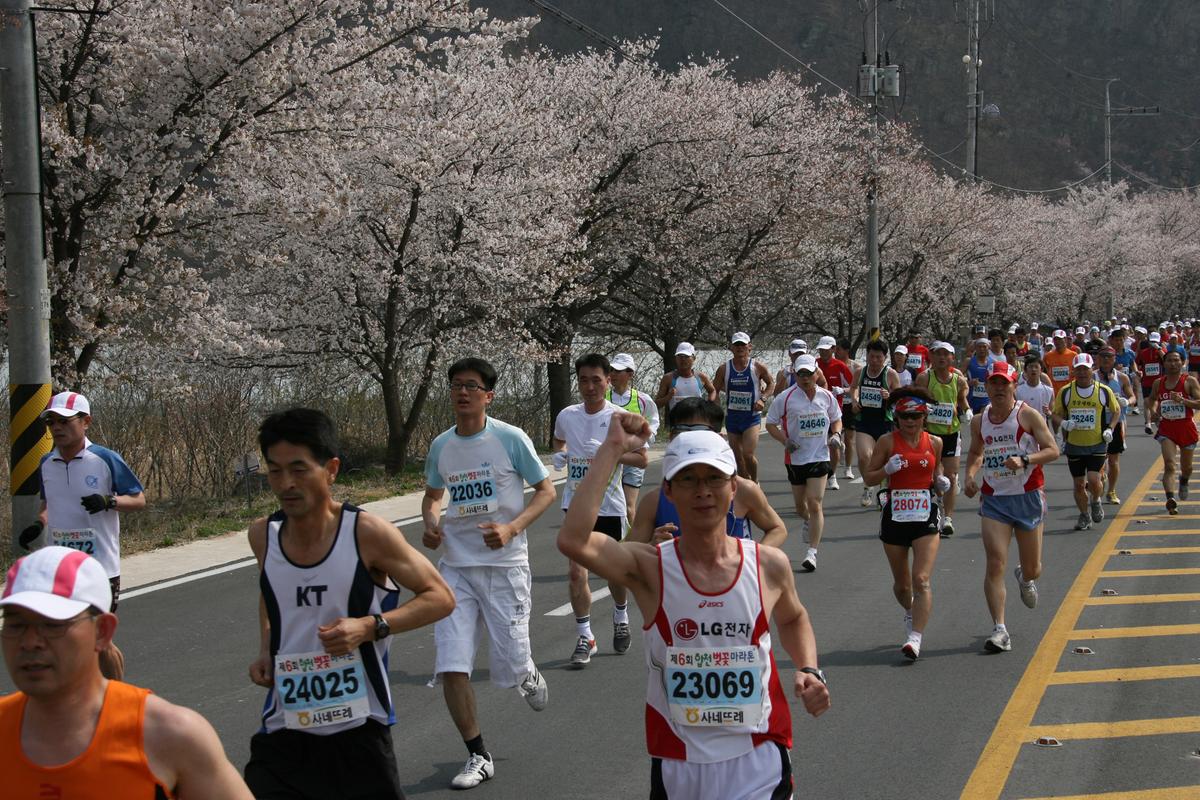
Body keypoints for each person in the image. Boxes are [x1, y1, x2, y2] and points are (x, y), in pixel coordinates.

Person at [557, 419, 831, 799]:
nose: (703, 491)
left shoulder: (768, 564)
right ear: (668, 490)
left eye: (714, 479)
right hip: (678, 764)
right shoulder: (650, 567)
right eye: (688, 479)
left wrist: (808, 668)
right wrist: (612, 448)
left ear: (734, 488)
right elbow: (573, 540)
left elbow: (793, 616)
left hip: (758, 757)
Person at [245, 408, 455, 799]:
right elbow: (272, 589)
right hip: (287, 723)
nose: (286, 483)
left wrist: (369, 627)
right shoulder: (264, 535)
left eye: (299, 469)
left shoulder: (367, 533)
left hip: (358, 726)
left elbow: (440, 598)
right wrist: (266, 647)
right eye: (274, 471)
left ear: (332, 469)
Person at [1, 546, 253, 799]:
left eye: (51, 624)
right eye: (16, 624)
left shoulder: (170, 736)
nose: (30, 641)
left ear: (102, 632)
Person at [421, 358, 558, 790]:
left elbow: (547, 490)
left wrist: (512, 527)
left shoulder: (509, 439)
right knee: (451, 664)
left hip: (505, 567)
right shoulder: (442, 445)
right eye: (456, 385)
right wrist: (430, 522)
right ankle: (478, 753)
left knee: (513, 662)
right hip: (457, 570)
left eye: (472, 386)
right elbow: (431, 496)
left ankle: (527, 670)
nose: (462, 392)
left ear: (488, 395)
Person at [20, 391, 146, 681]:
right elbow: (48, 504)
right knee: (63, 638)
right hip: (61, 567)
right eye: (51, 421)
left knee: (98, 641)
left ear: (85, 421)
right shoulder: (45, 463)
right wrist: (39, 525)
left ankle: (117, 700)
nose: (57, 427)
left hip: (100, 568)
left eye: (64, 420)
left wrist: (109, 501)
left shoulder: (104, 459)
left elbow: (139, 499)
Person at [552, 353, 649, 666]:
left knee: (613, 572)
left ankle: (620, 615)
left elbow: (643, 459)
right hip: (576, 503)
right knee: (575, 570)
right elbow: (559, 442)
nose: (590, 386)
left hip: (609, 505)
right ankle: (585, 636)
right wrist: (561, 455)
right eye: (584, 380)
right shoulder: (567, 415)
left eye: (597, 380)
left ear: (609, 381)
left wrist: (613, 454)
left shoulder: (620, 417)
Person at [964, 361, 1059, 653]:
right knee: (995, 562)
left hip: (1028, 495)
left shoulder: (1027, 416)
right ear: (987, 387)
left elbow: (1053, 450)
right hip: (995, 499)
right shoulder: (979, 421)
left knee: (1033, 568)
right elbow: (976, 452)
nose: (998, 389)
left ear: (1013, 386)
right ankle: (1000, 629)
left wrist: (1026, 460)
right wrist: (969, 475)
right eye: (993, 383)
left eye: (1004, 383)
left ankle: (1025, 577)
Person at [863, 388, 951, 660]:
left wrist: (940, 482)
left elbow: (937, 472)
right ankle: (911, 610)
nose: (910, 421)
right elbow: (868, 478)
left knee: (921, 579)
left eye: (915, 416)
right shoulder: (887, 442)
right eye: (904, 416)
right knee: (902, 586)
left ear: (924, 417)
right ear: (896, 417)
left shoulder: (934, 442)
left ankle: (915, 637)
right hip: (896, 514)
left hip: (925, 513)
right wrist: (886, 470)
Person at [629, 398, 788, 548]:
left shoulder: (744, 490)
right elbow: (624, 564)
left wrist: (751, 559)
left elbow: (777, 528)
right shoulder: (654, 501)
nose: (703, 492)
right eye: (683, 431)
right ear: (671, 437)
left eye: (701, 431)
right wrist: (650, 548)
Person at [765, 354, 843, 572]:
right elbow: (771, 423)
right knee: (802, 507)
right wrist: (785, 441)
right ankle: (807, 520)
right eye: (801, 374)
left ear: (816, 373)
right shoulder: (785, 398)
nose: (806, 378)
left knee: (815, 502)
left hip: (819, 456)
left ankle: (812, 552)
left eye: (809, 373)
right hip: (796, 458)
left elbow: (837, 418)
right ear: (795, 374)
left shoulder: (826, 396)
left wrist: (836, 434)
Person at [1052, 353, 1121, 531]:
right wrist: (1063, 423)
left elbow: (1116, 411)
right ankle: (1084, 515)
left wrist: (1110, 429)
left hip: (1097, 443)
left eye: (1085, 368)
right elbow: (1055, 413)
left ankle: (1096, 500)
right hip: (1074, 445)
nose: (1082, 372)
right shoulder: (1066, 391)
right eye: (1078, 369)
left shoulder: (1103, 391)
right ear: (1073, 371)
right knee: (1078, 484)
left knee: (1094, 479)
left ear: (1092, 369)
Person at [914, 342, 968, 538]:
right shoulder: (924, 378)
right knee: (933, 476)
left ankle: (948, 518)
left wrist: (965, 411)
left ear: (952, 358)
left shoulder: (959, 380)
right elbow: (917, 400)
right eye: (938, 354)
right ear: (931, 357)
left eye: (946, 354)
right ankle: (933, 507)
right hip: (930, 433)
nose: (942, 358)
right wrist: (924, 408)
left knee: (951, 476)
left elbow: (962, 399)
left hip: (951, 432)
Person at [714, 332, 775, 482]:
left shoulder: (757, 366)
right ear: (731, 348)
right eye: (737, 345)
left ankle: (754, 482)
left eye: (743, 345)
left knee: (748, 454)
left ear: (749, 347)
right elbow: (713, 390)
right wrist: (716, 410)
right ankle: (744, 485)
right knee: (737, 457)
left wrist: (763, 399)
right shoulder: (724, 369)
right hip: (733, 417)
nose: (740, 348)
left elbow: (771, 384)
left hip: (751, 418)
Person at [608, 352, 662, 522]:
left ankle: (635, 544)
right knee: (609, 508)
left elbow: (654, 421)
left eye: (619, 371)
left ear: (630, 374)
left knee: (629, 508)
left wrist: (646, 439)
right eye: (612, 370)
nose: (614, 374)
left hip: (634, 457)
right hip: (610, 458)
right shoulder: (603, 397)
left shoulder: (642, 399)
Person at [851, 339, 901, 508]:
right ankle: (868, 486)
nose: (874, 361)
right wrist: (854, 400)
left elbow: (899, 395)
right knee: (865, 456)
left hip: (884, 422)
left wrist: (890, 395)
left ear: (885, 358)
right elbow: (853, 388)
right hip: (864, 421)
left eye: (878, 357)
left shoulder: (890, 374)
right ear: (867, 356)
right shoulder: (861, 372)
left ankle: (884, 490)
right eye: (871, 357)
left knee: (885, 460)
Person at [1148, 350, 1200, 515]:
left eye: (1176, 360)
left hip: (1186, 428)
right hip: (1167, 429)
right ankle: (1170, 499)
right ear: (1164, 363)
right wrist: (1154, 412)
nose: (1173, 363)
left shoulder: (1189, 381)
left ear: (1182, 363)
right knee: (1170, 464)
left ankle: (1184, 480)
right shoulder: (1159, 382)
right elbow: (1152, 400)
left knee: (1187, 467)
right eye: (1169, 360)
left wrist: (1183, 400)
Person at [1096, 347, 1135, 505]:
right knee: (1098, 460)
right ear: (1098, 358)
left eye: (1109, 357)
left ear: (1114, 359)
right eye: (1103, 356)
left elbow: (1132, 396)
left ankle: (1111, 491)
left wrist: (1127, 401)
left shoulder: (1122, 378)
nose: (1106, 360)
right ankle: (1097, 486)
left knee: (1113, 460)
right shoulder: (1091, 376)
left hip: (1116, 422)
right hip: (1096, 423)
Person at [815, 336, 854, 489]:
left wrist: (842, 390)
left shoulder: (840, 366)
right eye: (821, 350)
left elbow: (853, 388)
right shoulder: (814, 364)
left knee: (833, 444)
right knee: (819, 444)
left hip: (834, 411)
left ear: (833, 349)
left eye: (826, 349)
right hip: (816, 411)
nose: (823, 352)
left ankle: (832, 475)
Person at [656, 342, 717, 413]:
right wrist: (668, 397)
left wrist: (709, 404)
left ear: (693, 358)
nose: (683, 359)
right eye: (680, 356)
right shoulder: (668, 378)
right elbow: (656, 404)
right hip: (677, 423)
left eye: (686, 356)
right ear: (675, 358)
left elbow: (712, 391)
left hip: (697, 421)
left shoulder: (701, 377)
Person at [1138, 333, 1167, 434]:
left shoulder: (1161, 351)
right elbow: (1138, 363)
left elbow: (1166, 360)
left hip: (1158, 381)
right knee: (1147, 402)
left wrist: (1159, 349)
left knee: (1158, 404)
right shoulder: (1143, 352)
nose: (1153, 343)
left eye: (1155, 341)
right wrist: (1139, 371)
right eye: (1152, 341)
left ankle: (1159, 423)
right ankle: (1148, 424)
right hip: (1146, 382)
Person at [1015, 355, 1054, 421]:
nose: (1033, 369)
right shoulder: (1017, 391)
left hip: (1041, 428)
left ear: (1041, 370)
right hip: (1023, 428)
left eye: (1036, 367)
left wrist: (1048, 413)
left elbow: (1051, 414)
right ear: (1025, 370)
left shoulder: (1049, 391)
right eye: (1030, 367)